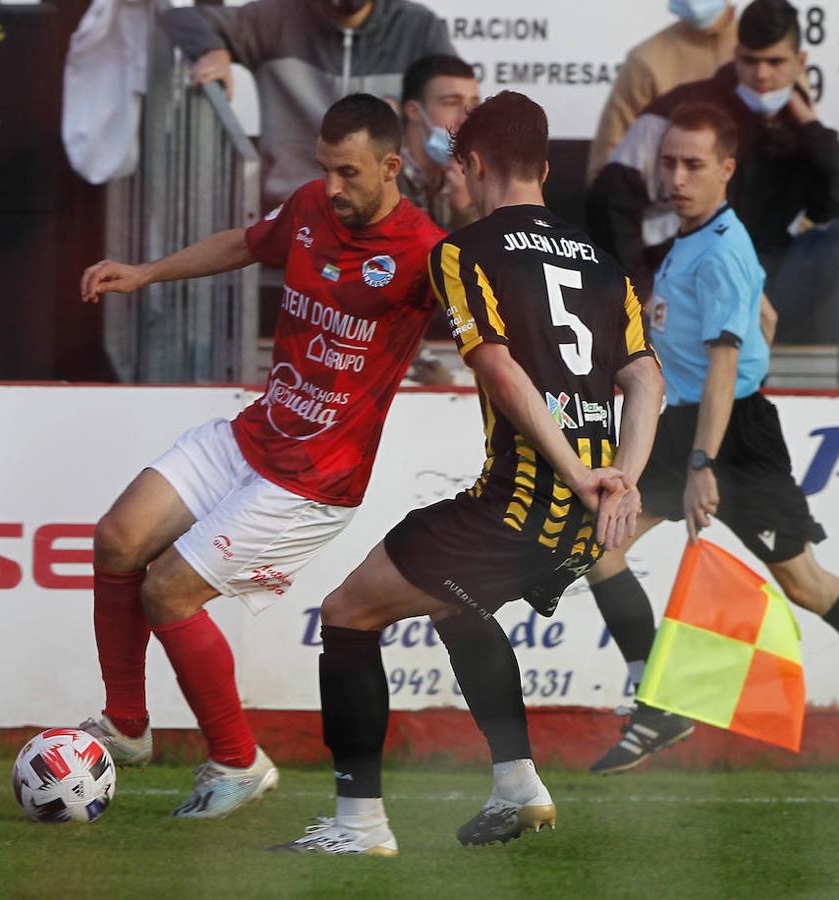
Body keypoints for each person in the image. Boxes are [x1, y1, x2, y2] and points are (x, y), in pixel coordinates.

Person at [272, 91, 665, 856]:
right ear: (546, 167)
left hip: (522, 507)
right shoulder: (607, 267)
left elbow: (501, 372)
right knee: (455, 605)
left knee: (349, 614)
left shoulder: (464, 251)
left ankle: (360, 827)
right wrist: (619, 478)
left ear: (473, 164)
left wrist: (574, 475)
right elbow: (647, 382)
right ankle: (518, 786)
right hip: (588, 524)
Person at [77, 94, 445, 818]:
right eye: (324, 169)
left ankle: (237, 761)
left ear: (392, 166)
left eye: (348, 172)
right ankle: (126, 724)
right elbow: (247, 243)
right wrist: (148, 272)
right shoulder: (310, 206)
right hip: (256, 434)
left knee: (168, 593)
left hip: (316, 479)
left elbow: (490, 336)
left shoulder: (427, 253)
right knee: (116, 540)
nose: (331, 186)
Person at [580, 101, 839, 789]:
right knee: (596, 545)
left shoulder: (721, 247)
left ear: (727, 169)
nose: (677, 176)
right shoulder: (696, 241)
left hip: (731, 440)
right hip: (687, 426)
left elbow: (726, 359)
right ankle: (653, 691)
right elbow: (764, 316)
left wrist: (704, 462)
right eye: (668, 162)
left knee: (805, 583)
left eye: (694, 164)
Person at [588, 0, 839, 388]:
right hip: (683, 287)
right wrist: (642, 287)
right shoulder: (683, 110)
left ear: (800, 61)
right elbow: (608, 196)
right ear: (736, 55)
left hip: (765, 283)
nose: (762, 74)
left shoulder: (800, 128)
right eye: (750, 61)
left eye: (776, 62)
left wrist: (813, 130)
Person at [160, 0, 453, 210]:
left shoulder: (418, 27)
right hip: (294, 215)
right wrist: (214, 50)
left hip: (386, 216)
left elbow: (455, 94)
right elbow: (181, 18)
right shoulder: (275, 17)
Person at [587, 0, 739, 184]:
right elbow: (608, 167)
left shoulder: (764, 50)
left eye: (774, 63)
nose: (762, 73)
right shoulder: (646, 61)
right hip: (670, 204)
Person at [398, 53, 482, 386]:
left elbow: (490, 276)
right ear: (414, 111)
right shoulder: (384, 179)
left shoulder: (471, 176)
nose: (467, 117)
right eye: (451, 103)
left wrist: (466, 209)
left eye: (474, 104)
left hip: (438, 342)